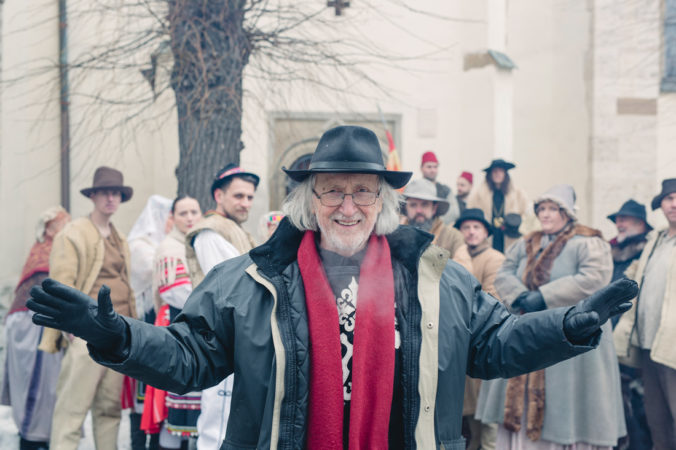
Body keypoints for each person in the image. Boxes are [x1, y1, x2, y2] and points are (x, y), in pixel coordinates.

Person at [27, 126, 637, 450]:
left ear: (385, 201)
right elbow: (191, 357)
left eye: (364, 190)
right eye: (332, 190)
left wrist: (570, 326)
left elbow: (494, 343)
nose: (349, 206)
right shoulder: (252, 279)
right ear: (307, 200)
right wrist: (114, 336)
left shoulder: (436, 278)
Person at [476, 184, 625, 449]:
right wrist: (521, 296)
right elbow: (504, 273)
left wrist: (544, 296)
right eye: (541, 209)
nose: (545, 215)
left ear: (567, 212)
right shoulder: (524, 243)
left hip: (569, 339)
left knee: (566, 410)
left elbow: (593, 279)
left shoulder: (590, 243)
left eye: (552, 209)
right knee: (519, 410)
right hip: (527, 332)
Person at [37, 166, 137, 450]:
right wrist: (68, 328)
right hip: (87, 333)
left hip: (119, 333)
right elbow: (61, 283)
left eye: (116, 193)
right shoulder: (74, 233)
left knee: (109, 411)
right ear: (93, 196)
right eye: (105, 192)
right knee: (72, 411)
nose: (111, 198)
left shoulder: (120, 237)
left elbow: (126, 285)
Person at [184, 163, 258, 450]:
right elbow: (236, 287)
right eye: (238, 196)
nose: (245, 203)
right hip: (219, 337)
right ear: (219, 195)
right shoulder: (210, 232)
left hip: (238, 336)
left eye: (250, 197)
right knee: (217, 425)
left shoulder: (234, 230)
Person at [0, 206, 70, 450]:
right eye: (63, 222)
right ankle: (32, 438)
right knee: (37, 387)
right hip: (32, 327)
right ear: (50, 228)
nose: (67, 226)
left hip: (41, 324)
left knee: (50, 388)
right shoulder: (46, 254)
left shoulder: (56, 250)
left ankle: (43, 436)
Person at [614, 178, 676, 450]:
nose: (674, 204)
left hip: (673, 348)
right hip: (650, 345)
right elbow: (634, 276)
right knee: (657, 423)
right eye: (668, 198)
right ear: (660, 205)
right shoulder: (656, 240)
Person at [141, 195, 203, 449]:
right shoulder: (170, 247)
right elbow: (177, 293)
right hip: (175, 327)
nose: (189, 217)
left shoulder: (195, 243)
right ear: (173, 218)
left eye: (194, 212)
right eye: (183, 213)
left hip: (192, 327)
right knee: (173, 404)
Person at [454, 208, 504, 450]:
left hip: (486, 342)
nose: (471, 232)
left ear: (486, 232)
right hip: (466, 342)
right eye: (466, 227)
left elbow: (492, 299)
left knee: (489, 420)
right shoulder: (461, 255)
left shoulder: (494, 258)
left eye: (476, 227)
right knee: (473, 420)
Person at [126, 194, 172, 450]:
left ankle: (155, 442)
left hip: (159, 322)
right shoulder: (139, 244)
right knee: (140, 393)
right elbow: (151, 270)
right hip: (142, 321)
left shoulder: (166, 244)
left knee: (158, 392)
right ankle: (137, 443)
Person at [607, 200, 653, 450]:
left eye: (626, 219)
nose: (619, 223)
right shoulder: (612, 253)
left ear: (641, 224)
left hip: (636, 340)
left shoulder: (647, 253)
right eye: (618, 219)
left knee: (640, 407)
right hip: (611, 338)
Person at [401, 178, 472, 271]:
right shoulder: (396, 236)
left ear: (434, 208)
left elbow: (465, 271)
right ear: (406, 208)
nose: (419, 210)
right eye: (413, 205)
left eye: (424, 204)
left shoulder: (453, 237)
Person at [467, 158, 530, 253]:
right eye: (495, 171)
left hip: (509, 236)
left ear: (505, 174)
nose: (498, 174)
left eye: (501, 171)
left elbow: (526, 215)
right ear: (490, 174)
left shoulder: (518, 194)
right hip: (487, 236)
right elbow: (470, 214)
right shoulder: (478, 194)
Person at [420, 151, 461, 224]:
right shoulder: (415, 189)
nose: (432, 170)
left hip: (440, 230)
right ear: (421, 168)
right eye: (429, 167)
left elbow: (454, 213)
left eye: (435, 167)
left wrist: (434, 223)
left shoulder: (445, 190)